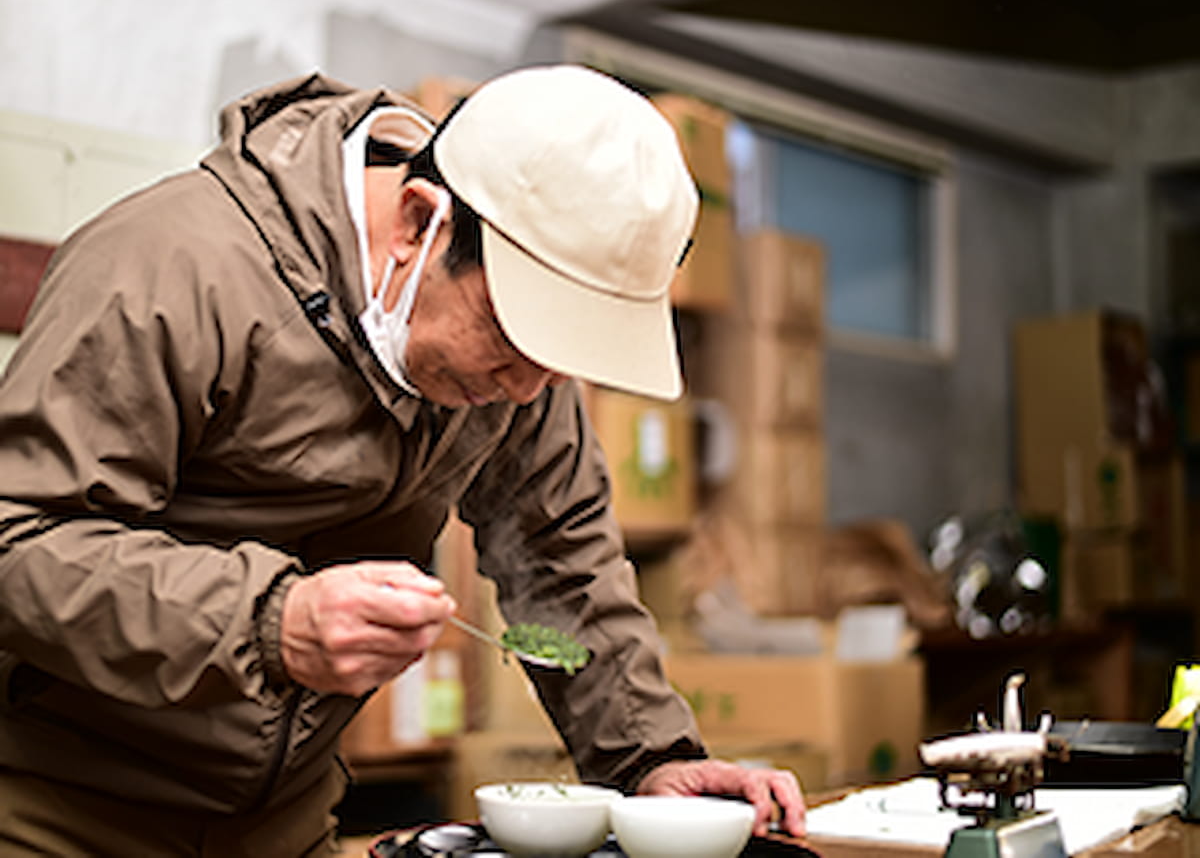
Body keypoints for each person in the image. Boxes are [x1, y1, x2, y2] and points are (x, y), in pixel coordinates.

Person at [0, 64, 805, 856]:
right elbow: (19, 539)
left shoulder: (521, 356)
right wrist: (269, 624)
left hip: (282, 815)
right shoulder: (172, 265)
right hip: (59, 805)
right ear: (422, 223)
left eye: (558, 360)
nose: (528, 391)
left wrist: (650, 760)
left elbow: (559, 561)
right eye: (513, 337)